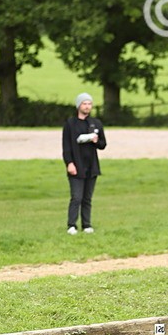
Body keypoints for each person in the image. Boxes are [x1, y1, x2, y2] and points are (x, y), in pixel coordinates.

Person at [62, 92, 107, 234]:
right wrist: (69, 163)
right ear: (78, 106)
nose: (87, 107)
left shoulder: (96, 123)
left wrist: (96, 141)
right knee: (76, 197)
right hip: (76, 165)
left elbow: (103, 144)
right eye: (84, 104)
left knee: (87, 198)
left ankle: (86, 225)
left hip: (91, 165)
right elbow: (66, 146)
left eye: (89, 104)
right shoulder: (70, 123)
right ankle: (71, 225)